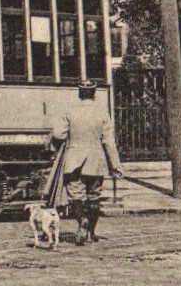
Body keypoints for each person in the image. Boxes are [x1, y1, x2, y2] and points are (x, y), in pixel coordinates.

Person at [48, 79, 126, 245]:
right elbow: (108, 142)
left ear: (79, 93)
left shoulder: (69, 111)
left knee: (76, 196)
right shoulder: (102, 113)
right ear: (94, 93)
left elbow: (58, 134)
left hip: (73, 161)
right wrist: (116, 166)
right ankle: (91, 231)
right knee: (94, 197)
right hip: (96, 162)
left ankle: (82, 221)